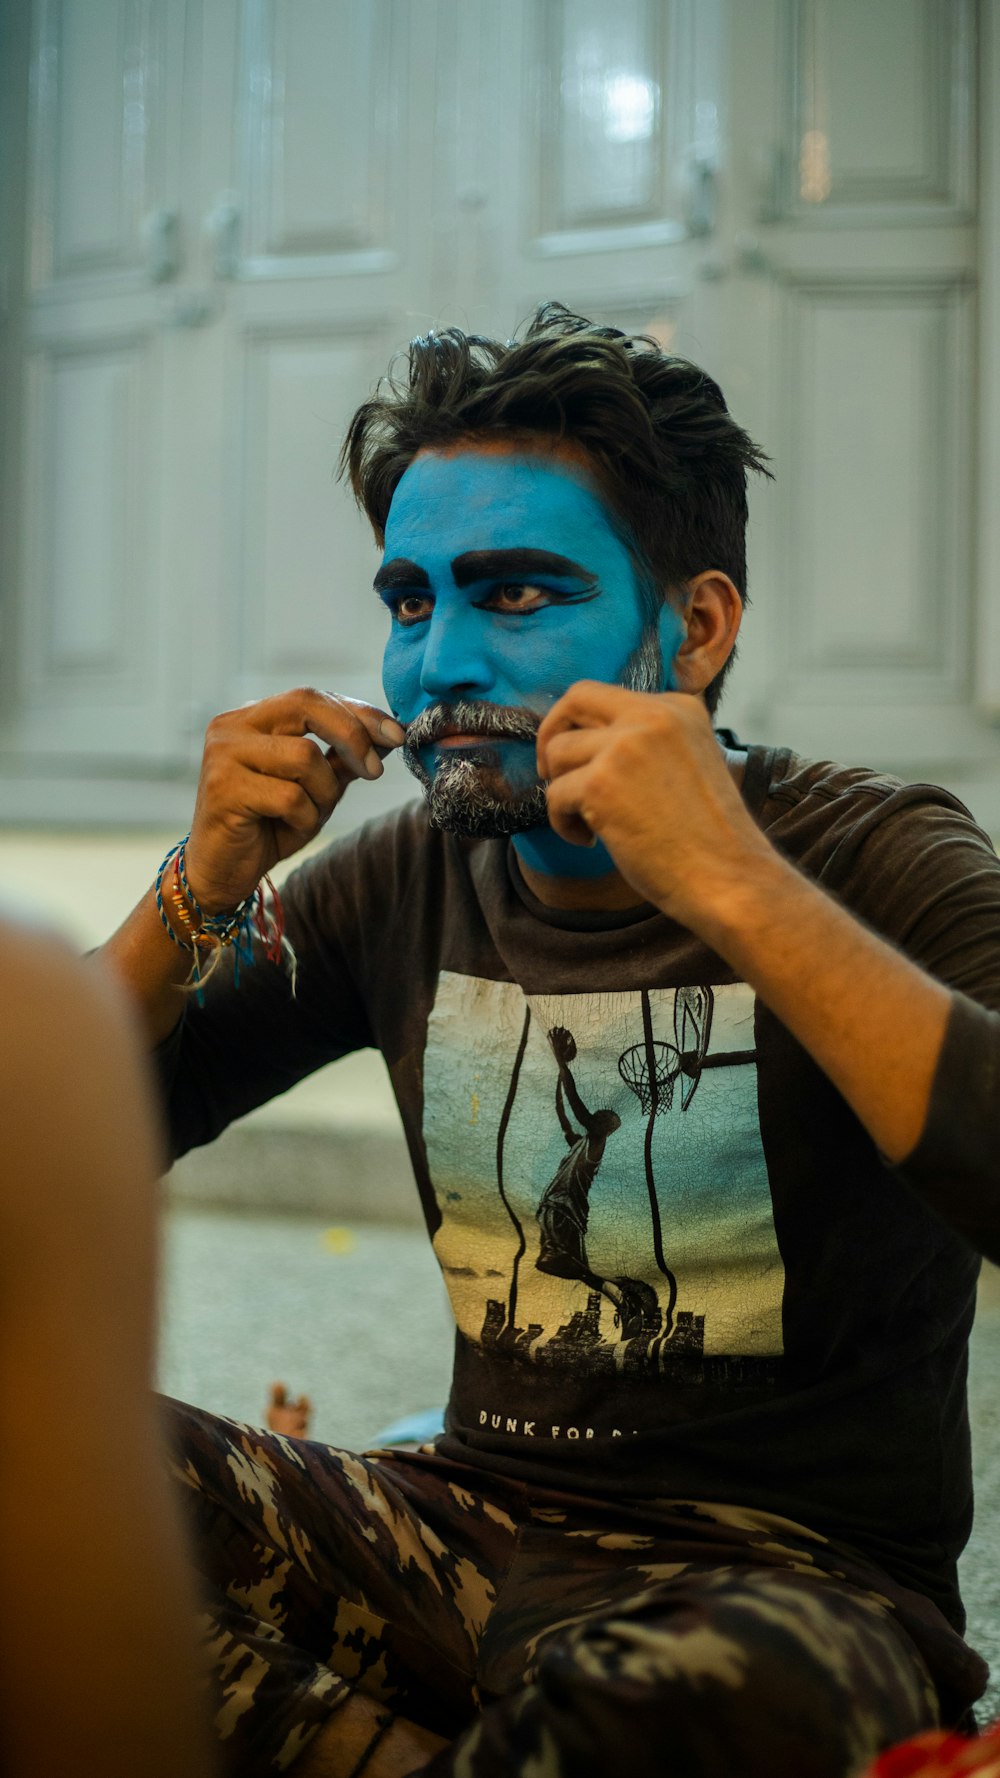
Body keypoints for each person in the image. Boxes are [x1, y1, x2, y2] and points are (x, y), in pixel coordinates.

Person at [98, 304, 1000, 1778]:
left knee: (700, 1705)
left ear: (694, 628)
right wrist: (198, 888)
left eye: (516, 596)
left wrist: (731, 882)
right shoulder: (398, 879)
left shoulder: (876, 853)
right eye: (408, 603)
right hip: (464, 1524)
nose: (441, 661)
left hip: (788, 1583)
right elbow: (58, 1134)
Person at [0, 913, 217, 1778]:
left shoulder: (36, 1015)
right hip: (456, 1499)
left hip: (677, 1561)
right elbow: (119, 1115)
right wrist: (197, 884)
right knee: (106, 1446)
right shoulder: (400, 877)